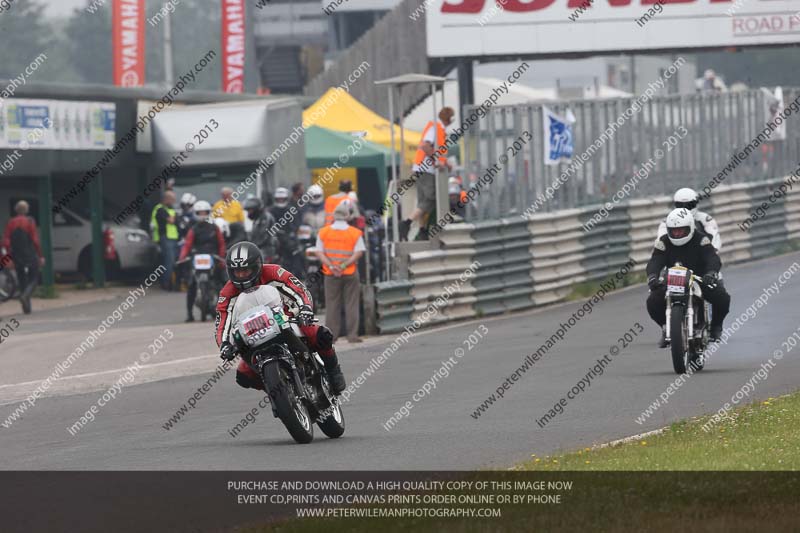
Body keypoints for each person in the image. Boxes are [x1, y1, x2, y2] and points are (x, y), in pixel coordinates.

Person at [215, 241, 347, 394]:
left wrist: (305, 309)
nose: (242, 275)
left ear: (257, 265)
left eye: (246, 270)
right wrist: (224, 344)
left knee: (320, 335)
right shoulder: (227, 292)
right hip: (252, 331)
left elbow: (299, 290)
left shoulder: (274, 272)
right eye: (237, 272)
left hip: (284, 317)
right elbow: (223, 321)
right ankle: (278, 392)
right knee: (243, 376)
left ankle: (333, 370)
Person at [646, 208, 730, 347]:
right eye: (674, 231)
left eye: (681, 230)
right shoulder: (664, 241)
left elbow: (712, 258)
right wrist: (652, 276)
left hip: (699, 278)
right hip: (673, 279)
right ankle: (666, 327)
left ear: (690, 228)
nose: (677, 234)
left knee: (723, 297)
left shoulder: (701, 239)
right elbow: (655, 261)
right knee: (652, 301)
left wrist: (711, 273)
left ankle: (716, 327)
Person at [399, 107, 454, 241]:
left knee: (423, 201)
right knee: (431, 199)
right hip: (427, 169)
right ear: (449, 119)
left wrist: (444, 162)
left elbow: (436, 150)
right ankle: (406, 223)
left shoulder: (437, 128)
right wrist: (437, 161)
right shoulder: (436, 128)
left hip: (422, 168)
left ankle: (423, 230)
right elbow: (425, 145)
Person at [315, 200, 365, 343]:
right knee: (351, 304)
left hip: (330, 274)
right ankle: (352, 335)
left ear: (334, 216)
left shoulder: (323, 232)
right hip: (350, 273)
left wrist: (332, 266)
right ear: (348, 216)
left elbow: (319, 252)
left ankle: (332, 336)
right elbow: (358, 253)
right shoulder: (355, 233)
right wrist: (343, 266)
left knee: (332, 305)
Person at [178, 201, 227, 322]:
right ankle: (189, 314)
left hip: (214, 259)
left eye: (205, 212)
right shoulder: (193, 229)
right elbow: (187, 245)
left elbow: (221, 244)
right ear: (195, 213)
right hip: (197, 260)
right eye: (200, 213)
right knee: (191, 286)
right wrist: (182, 257)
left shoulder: (215, 228)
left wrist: (221, 258)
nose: (202, 215)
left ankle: (227, 310)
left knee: (224, 282)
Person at [2, 201, 43, 314]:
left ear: (16, 210)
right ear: (26, 210)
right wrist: (40, 255)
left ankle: (26, 309)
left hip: (16, 255)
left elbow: (6, 241)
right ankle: (25, 296)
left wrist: (7, 258)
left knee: (22, 279)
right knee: (34, 278)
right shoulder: (30, 221)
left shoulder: (11, 222)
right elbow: (35, 240)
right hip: (29, 253)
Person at [657, 188, 721, 250]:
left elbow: (715, 237)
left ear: (696, 204)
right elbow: (660, 240)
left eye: (689, 205)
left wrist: (711, 253)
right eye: (680, 205)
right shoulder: (667, 222)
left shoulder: (705, 219)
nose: (685, 208)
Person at [150, 191, 180, 291]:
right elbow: (172, 220)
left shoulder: (168, 209)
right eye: (172, 199)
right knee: (169, 262)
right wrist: (175, 218)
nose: (174, 201)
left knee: (173, 261)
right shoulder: (160, 209)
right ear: (166, 199)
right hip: (165, 238)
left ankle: (173, 283)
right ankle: (166, 284)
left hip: (173, 238)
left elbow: (176, 220)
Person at [244, 197, 279, 263]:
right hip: (259, 250)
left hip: (266, 250)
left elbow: (263, 236)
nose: (249, 213)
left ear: (257, 209)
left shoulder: (265, 218)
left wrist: (252, 246)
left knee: (263, 269)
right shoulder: (257, 219)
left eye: (250, 210)